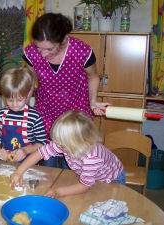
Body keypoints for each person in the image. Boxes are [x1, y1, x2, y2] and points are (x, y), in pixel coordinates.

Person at [23, 13, 110, 167]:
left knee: (72, 165)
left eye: (49, 49)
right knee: (47, 165)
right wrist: (24, 104)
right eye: (38, 47)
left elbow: (93, 76)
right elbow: (30, 79)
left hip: (75, 117)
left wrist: (93, 101)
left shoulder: (82, 51)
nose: (43, 54)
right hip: (46, 114)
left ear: (63, 40)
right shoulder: (30, 53)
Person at [10, 110, 125, 198]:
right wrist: (19, 171)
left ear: (77, 143)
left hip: (111, 178)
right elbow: (39, 153)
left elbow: (84, 186)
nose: (57, 146)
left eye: (61, 145)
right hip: (93, 176)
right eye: (57, 142)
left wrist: (57, 191)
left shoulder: (92, 158)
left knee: (105, 203)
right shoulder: (64, 144)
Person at [0, 67, 47, 162]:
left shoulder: (34, 117)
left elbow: (41, 143)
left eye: (19, 100)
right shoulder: (0, 114)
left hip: (28, 163)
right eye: (10, 100)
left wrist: (25, 150)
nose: (15, 104)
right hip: (5, 161)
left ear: (28, 93)